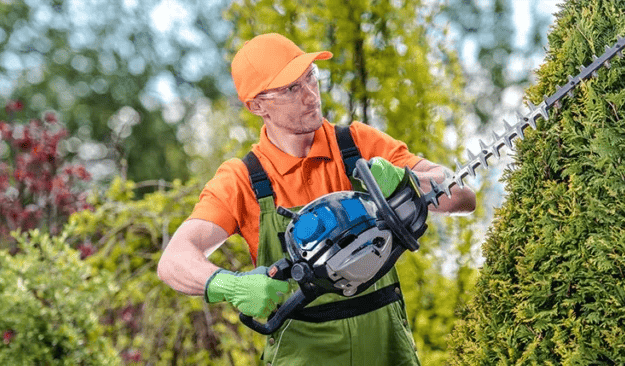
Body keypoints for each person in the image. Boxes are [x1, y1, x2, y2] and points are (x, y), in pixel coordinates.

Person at [157, 33, 476, 366]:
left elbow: (463, 198)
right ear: (257, 105)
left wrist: (409, 183)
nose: (310, 96)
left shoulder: (357, 146)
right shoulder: (243, 180)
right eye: (291, 89)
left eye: (311, 77)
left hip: (387, 348)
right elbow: (174, 260)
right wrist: (227, 285)